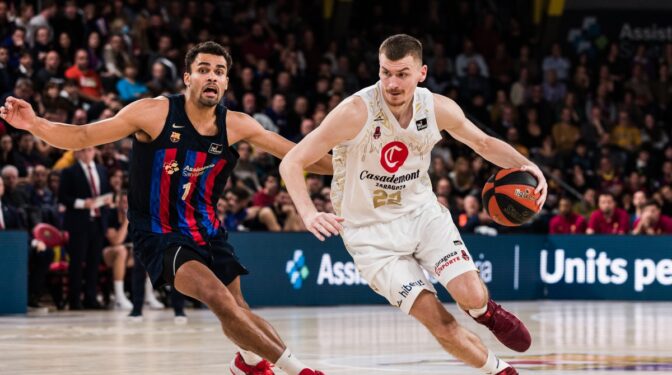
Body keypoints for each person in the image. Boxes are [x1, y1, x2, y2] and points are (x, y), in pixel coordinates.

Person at [1, 41, 330, 375]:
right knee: (220, 300)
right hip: (160, 234)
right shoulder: (154, 113)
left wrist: (359, 168)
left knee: (239, 308)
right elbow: (84, 135)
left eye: (219, 71)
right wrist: (35, 124)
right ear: (187, 78)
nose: (211, 77)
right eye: (203, 70)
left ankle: (247, 363)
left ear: (227, 82)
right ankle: (301, 371)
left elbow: (299, 154)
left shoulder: (237, 124)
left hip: (207, 230)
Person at [280, 34, 549, 375]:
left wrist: (528, 165)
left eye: (402, 74)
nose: (392, 83)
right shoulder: (354, 112)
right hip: (369, 235)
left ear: (421, 73)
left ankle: (484, 312)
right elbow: (292, 161)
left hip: (421, 214)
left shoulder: (437, 107)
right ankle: (499, 370)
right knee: (438, 319)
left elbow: (481, 142)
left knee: (471, 295)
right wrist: (307, 211)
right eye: (385, 73)